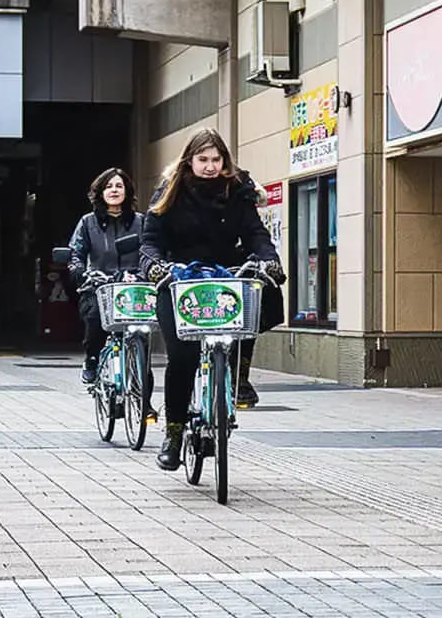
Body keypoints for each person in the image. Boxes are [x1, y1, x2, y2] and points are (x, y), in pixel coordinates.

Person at [140, 128, 283, 472]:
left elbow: (255, 235)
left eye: (215, 159)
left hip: (225, 276)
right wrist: (157, 268)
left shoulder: (237, 192)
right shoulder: (170, 192)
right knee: (183, 354)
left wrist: (268, 261)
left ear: (224, 161)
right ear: (189, 161)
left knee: (259, 297)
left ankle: (237, 378)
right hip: (179, 280)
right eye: (202, 159)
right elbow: (149, 241)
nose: (209, 166)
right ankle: (173, 434)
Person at [67, 169, 149, 404]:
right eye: (109, 186)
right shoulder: (87, 222)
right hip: (99, 286)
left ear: (127, 191)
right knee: (94, 318)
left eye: (119, 186)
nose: (114, 190)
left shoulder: (141, 222)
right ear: (100, 192)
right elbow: (76, 254)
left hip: (134, 287)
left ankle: (145, 401)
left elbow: (151, 251)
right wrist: (80, 272)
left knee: (141, 340)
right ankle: (92, 359)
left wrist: (144, 273)